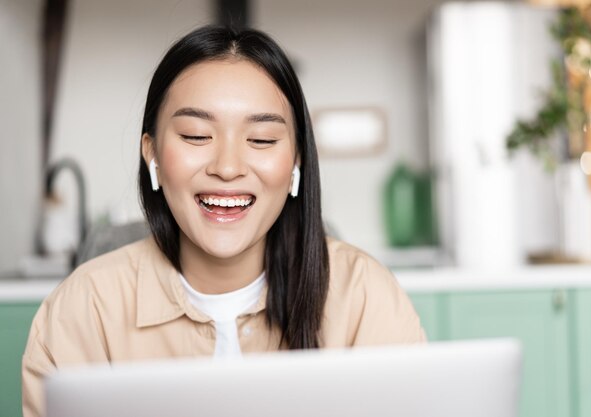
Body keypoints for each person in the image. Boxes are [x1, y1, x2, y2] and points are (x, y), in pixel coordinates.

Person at [22, 25, 426, 417]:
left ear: (297, 161)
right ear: (153, 155)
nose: (228, 167)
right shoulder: (82, 310)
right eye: (197, 136)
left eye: (262, 139)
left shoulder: (365, 297)